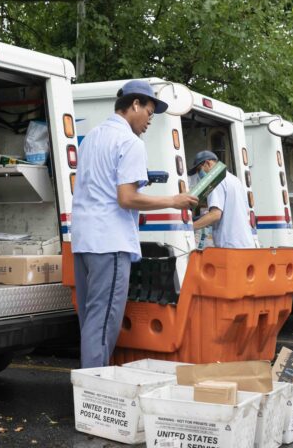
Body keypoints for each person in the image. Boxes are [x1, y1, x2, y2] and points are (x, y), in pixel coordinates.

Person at [71, 80, 198, 368]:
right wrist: (173, 201)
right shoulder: (130, 142)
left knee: (91, 321)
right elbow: (127, 198)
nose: (150, 120)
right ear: (135, 104)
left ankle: (89, 388)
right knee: (103, 324)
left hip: (83, 240)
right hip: (110, 242)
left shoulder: (91, 138)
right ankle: (93, 394)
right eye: (150, 112)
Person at [189, 150, 255, 249]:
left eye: (199, 170)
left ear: (208, 163)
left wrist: (190, 228)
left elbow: (215, 215)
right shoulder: (234, 179)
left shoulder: (215, 181)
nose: (199, 174)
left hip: (230, 246)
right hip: (246, 243)